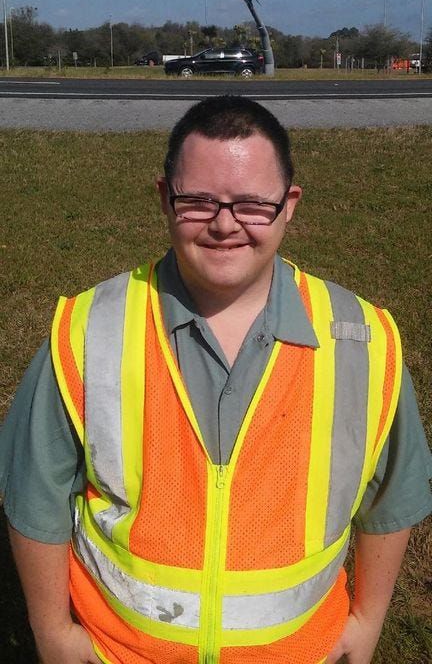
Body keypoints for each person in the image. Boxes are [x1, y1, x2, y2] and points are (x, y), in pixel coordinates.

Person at [0, 95, 431, 664]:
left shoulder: (363, 340)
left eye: (252, 204)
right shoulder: (86, 331)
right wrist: (54, 634)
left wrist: (367, 622)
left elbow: (392, 498)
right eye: (198, 201)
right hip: (120, 653)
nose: (225, 224)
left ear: (289, 205)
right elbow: (34, 497)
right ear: (164, 198)